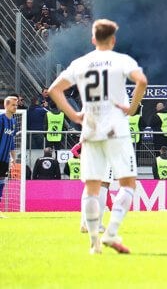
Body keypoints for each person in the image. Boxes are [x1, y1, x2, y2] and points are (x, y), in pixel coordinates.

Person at [47, 18, 148, 254]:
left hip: (90, 129)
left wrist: (73, 114)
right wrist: (132, 108)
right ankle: (111, 233)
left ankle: (94, 242)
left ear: (93, 39)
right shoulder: (121, 60)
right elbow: (141, 81)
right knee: (127, 184)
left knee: (92, 187)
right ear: (113, 40)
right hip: (117, 130)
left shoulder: (81, 62)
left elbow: (54, 90)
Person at [0, 96, 18, 203]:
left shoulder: (13, 122)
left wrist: (13, 158)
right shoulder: (1, 119)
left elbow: (11, 141)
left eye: (16, 105)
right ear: (6, 105)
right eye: (13, 105)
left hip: (5, 159)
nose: (15, 107)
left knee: (2, 181)